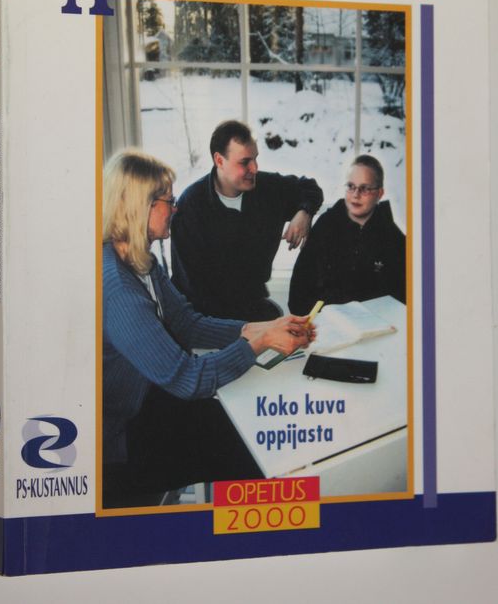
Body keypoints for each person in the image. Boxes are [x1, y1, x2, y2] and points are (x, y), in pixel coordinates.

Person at [102, 149, 313, 508]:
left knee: (251, 427)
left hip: (149, 400)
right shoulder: (119, 288)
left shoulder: (141, 262)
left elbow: (188, 323)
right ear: (141, 206)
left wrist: (262, 326)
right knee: (253, 448)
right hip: (124, 441)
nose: (175, 208)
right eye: (168, 201)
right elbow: (188, 378)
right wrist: (260, 341)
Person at [170, 120, 323, 321]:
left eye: (255, 159)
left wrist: (304, 212)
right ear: (219, 160)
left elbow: (310, 188)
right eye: (245, 162)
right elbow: (191, 288)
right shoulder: (190, 206)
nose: (254, 168)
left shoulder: (267, 188)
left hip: (253, 308)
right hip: (205, 319)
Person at [288, 154, 406, 314]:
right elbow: (299, 292)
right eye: (351, 186)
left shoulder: (392, 237)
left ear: (379, 193)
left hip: (376, 321)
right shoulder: (325, 227)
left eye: (365, 188)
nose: (356, 194)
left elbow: (404, 296)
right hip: (326, 320)